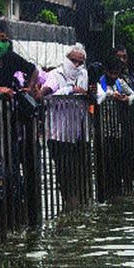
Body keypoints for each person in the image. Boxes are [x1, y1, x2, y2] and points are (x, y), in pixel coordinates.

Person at [0, 30, 42, 227]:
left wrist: (29, 88)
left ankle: (15, 206)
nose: (0, 44)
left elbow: (33, 70)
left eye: (3, 41)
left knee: (12, 161)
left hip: (9, 118)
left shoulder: (11, 57)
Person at [40, 45, 90, 210]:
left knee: (80, 170)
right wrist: (69, 89)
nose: (76, 65)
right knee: (64, 170)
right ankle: (69, 203)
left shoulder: (83, 74)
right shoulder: (56, 74)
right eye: (73, 60)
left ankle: (77, 204)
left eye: (79, 62)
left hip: (77, 133)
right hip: (57, 133)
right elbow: (45, 93)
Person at [97, 55, 134, 198]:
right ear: (106, 71)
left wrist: (127, 99)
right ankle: (106, 191)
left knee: (118, 161)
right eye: (111, 73)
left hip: (118, 129)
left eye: (116, 73)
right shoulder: (99, 82)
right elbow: (97, 95)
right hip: (102, 130)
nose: (113, 76)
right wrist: (110, 95)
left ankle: (117, 190)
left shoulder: (120, 83)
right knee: (105, 162)